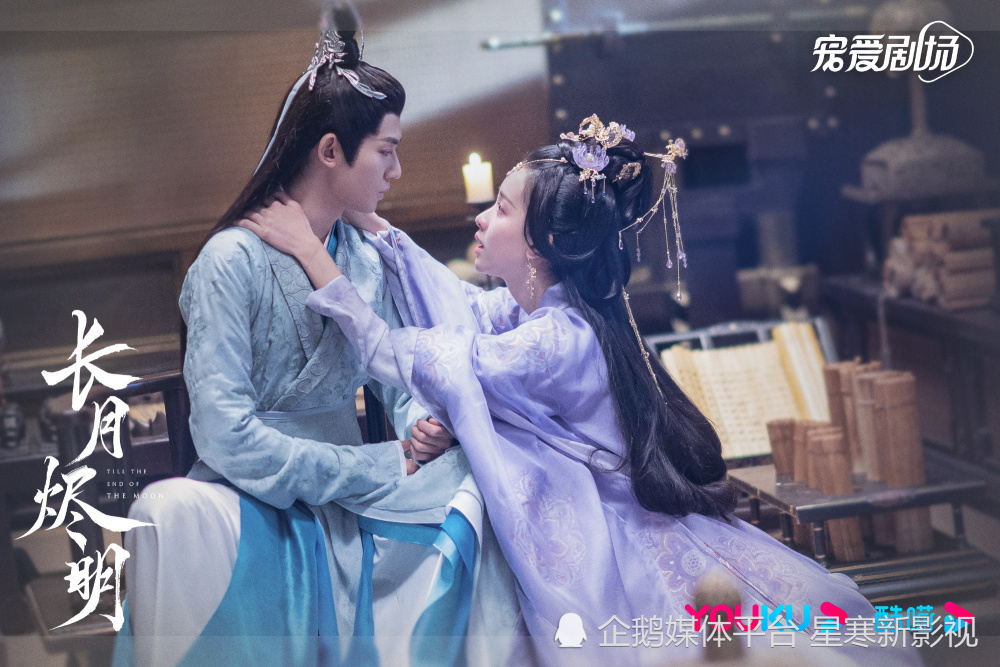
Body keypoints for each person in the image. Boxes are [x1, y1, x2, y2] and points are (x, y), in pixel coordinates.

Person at [241, 116, 923, 666]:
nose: (482, 219)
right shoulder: (543, 312)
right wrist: (373, 227)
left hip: (611, 531)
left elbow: (412, 353)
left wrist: (314, 253)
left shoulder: (556, 341)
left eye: (500, 209)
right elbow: (460, 311)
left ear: (539, 244)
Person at [116, 20, 519, 667]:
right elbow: (224, 435)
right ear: (331, 150)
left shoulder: (364, 258)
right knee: (165, 508)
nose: (397, 170)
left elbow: (399, 380)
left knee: (491, 489)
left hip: (360, 486)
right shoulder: (229, 262)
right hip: (252, 485)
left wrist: (421, 427)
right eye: (386, 151)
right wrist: (371, 465)